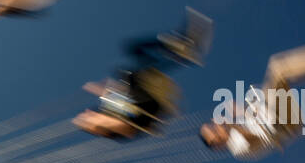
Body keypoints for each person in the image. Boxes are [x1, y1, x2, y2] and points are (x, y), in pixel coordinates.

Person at [201, 25, 305, 160]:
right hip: (282, 125)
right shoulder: (237, 149)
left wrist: (243, 111)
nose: (216, 127)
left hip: (277, 116)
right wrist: (231, 123)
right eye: (213, 132)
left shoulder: (236, 128)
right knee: (276, 70)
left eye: (212, 126)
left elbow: (255, 119)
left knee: (277, 67)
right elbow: (254, 137)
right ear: (217, 144)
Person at [74, 9, 213, 138]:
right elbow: (129, 128)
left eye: (87, 114)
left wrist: (102, 90)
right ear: (93, 127)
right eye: (87, 116)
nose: (87, 112)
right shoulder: (109, 127)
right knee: (131, 66)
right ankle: (182, 46)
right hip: (149, 106)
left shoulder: (106, 112)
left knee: (132, 54)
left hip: (144, 102)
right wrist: (102, 119)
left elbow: (118, 97)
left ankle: (180, 45)